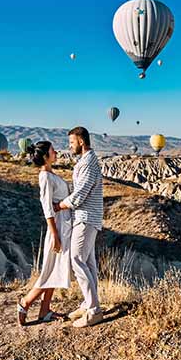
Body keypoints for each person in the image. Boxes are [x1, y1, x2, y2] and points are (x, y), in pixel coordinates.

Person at [16, 141, 72, 325]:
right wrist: (54, 234)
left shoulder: (50, 174)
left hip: (63, 224)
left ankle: (45, 310)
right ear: (46, 156)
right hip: (58, 226)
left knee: (56, 268)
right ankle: (26, 302)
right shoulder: (45, 177)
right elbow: (47, 208)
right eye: (52, 151)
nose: (56, 152)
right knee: (51, 270)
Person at [56, 126, 104, 328]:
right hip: (86, 217)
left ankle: (94, 311)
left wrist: (59, 205)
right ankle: (88, 304)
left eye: (71, 142)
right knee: (89, 263)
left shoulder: (88, 164)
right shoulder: (86, 161)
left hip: (85, 217)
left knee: (76, 259)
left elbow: (79, 195)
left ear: (81, 142)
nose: (70, 147)